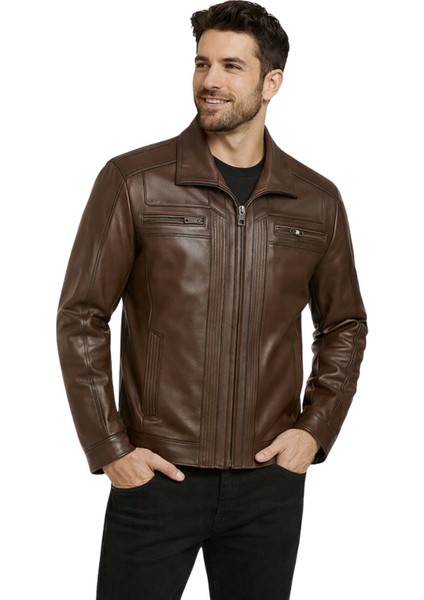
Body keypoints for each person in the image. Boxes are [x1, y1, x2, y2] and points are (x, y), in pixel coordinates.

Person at [56, 1, 367, 598]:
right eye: (202, 63)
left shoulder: (316, 200)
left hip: (269, 480)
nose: (210, 81)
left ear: (271, 83)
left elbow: (345, 324)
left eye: (231, 66)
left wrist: (314, 429)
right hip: (157, 475)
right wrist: (111, 448)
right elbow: (81, 316)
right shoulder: (134, 181)